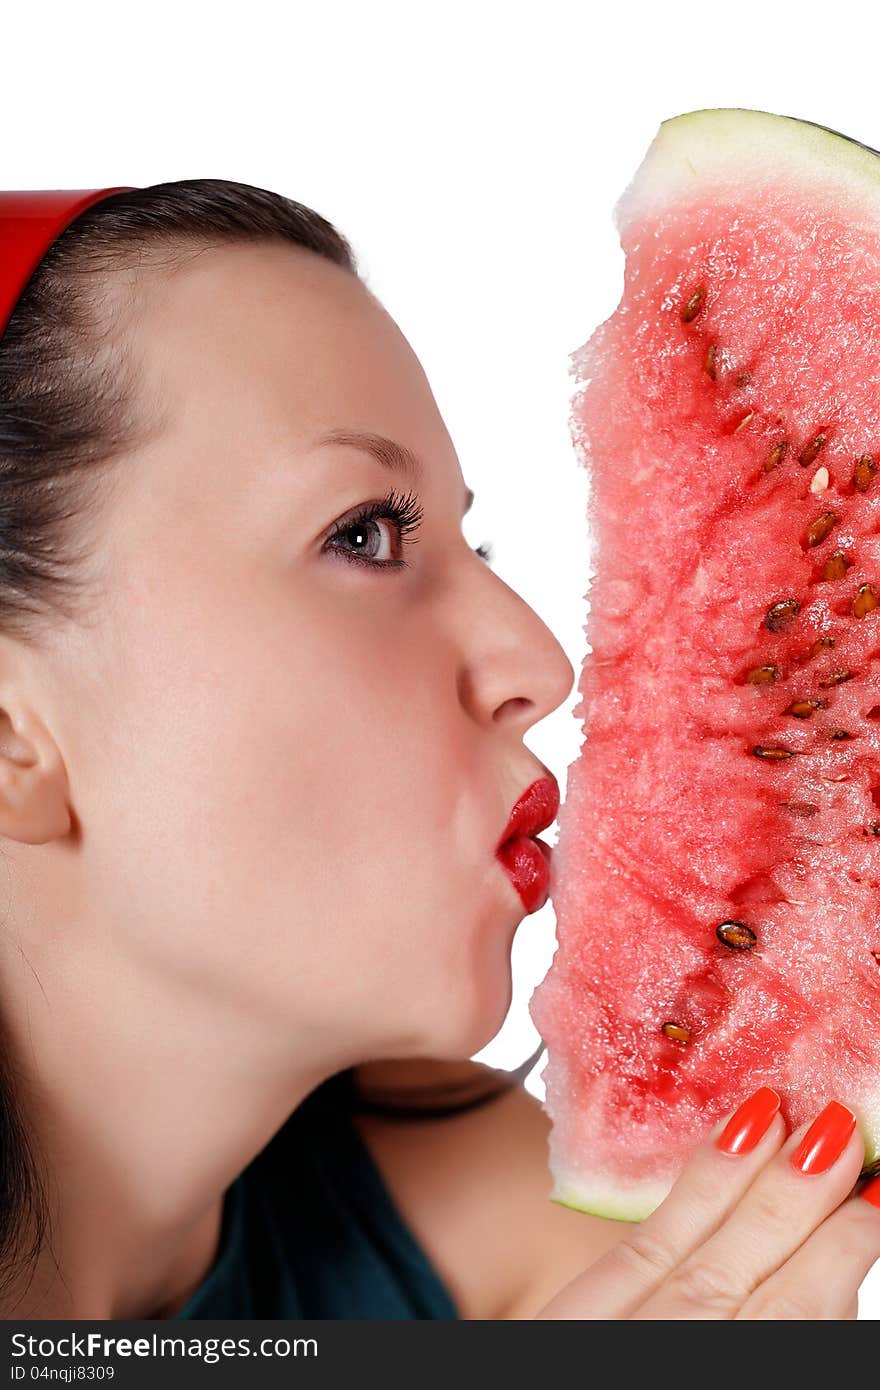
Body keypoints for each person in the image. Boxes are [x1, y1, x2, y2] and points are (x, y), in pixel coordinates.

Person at [0, 179, 877, 1322]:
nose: (539, 661)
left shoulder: (516, 1238)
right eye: (363, 534)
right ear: (16, 735)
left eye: (471, 539)